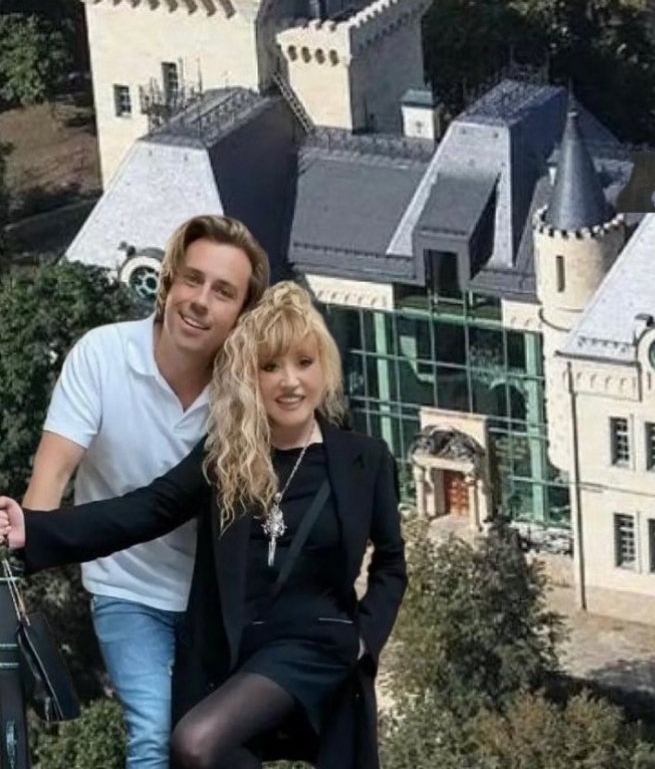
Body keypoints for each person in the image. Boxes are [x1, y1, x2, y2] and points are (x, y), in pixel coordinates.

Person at [1, 281, 407, 769]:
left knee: (196, 742)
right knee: (209, 755)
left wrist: (364, 639)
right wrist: (35, 530)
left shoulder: (365, 460)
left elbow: (391, 563)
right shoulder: (226, 455)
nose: (290, 382)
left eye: (304, 362)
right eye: (270, 366)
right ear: (249, 377)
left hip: (315, 643)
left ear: (325, 368)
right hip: (236, 650)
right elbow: (144, 510)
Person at [22, 214, 270, 769]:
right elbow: (53, 473)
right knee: (157, 734)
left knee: (224, 749)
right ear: (169, 281)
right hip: (127, 588)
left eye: (223, 291)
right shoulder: (102, 355)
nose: (200, 301)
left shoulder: (250, 393)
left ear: (242, 314)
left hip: (218, 599)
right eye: (192, 279)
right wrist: (26, 546)